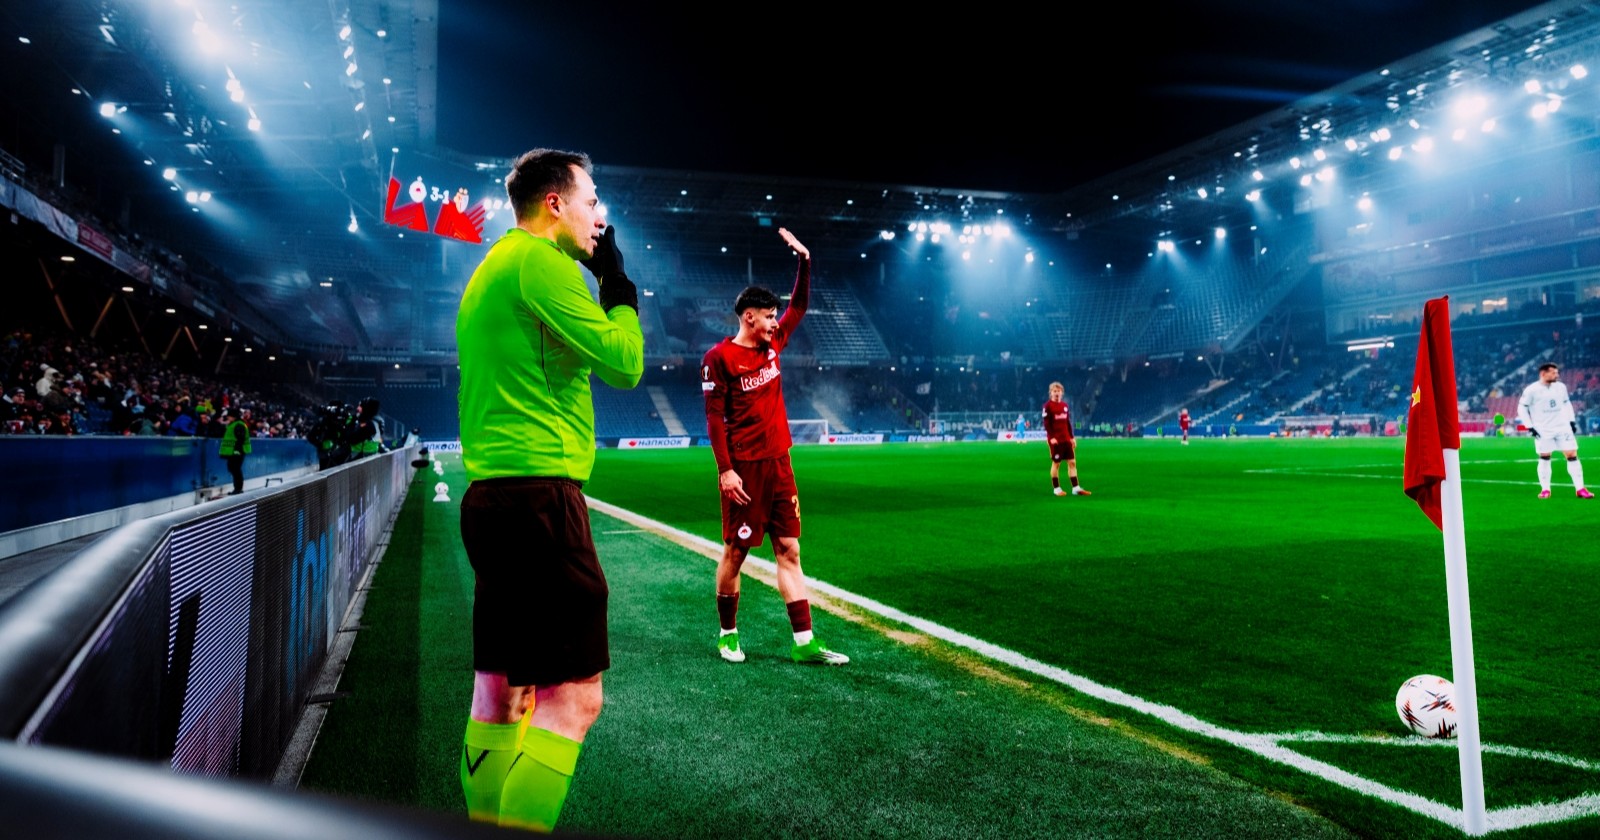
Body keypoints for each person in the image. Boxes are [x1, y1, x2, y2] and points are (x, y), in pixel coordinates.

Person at [454, 148, 644, 831]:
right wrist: (617, 288)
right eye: (593, 201)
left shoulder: (492, 267)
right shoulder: (543, 263)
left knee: (501, 690)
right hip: (539, 499)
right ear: (554, 203)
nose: (602, 216)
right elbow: (625, 364)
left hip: (493, 498)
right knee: (574, 700)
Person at [702, 227, 848, 667]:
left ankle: (803, 641)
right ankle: (728, 634)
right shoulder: (719, 358)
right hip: (744, 470)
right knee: (736, 551)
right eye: (768, 316)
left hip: (780, 463)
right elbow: (713, 418)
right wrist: (725, 470)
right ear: (749, 317)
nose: (775, 323)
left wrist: (804, 261)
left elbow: (800, 305)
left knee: (790, 549)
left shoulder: (774, 345)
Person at [1515, 362, 1593, 499]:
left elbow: (1566, 403)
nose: (1557, 375)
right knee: (1545, 456)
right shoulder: (1531, 390)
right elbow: (1522, 408)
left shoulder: (1561, 387)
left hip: (1562, 427)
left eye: (1557, 372)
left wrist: (1571, 421)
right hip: (1543, 429)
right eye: (1553, 372)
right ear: (1543, 373)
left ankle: (1580, 489)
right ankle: (1545, 489)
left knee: (1572, 455)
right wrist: (1529, 426)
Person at [1043, 381, 1090, 497]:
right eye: (1054, 391)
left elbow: (1068, 423)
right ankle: (1057, 489)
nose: (1057, 393)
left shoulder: (1064, 406)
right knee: (1056, 464)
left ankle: (1076, 488)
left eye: (1059, 391)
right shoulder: (1047, 406)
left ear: (1062, 393)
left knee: (1072, 462)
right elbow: (1046, 424)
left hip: (1066, 439)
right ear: (1051, 393)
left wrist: (1072, 437)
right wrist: (1052, 437)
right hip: (1056, 440)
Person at [219, 408, 251, 495]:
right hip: (233, 452)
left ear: (233, 417)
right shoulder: (234, 424)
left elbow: (240, 439)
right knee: (233, 469)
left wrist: (237, 450)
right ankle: (237, 488)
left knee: (235, 469)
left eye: (229, 416)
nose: (228, 418)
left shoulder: (238, 425)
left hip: (236, 452)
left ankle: (238, 489)